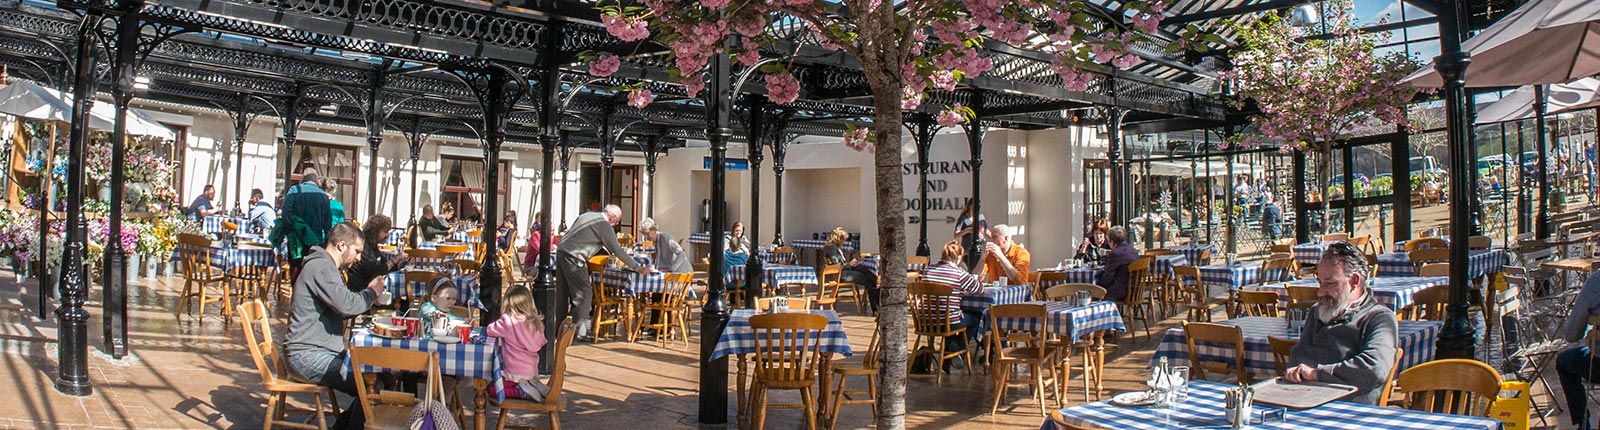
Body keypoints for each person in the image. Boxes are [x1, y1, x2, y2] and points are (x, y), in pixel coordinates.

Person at [284, 222, 381, 428]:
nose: (359, 258)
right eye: (357, 251)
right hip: (305, 355)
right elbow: (346, 305)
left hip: (316, 350)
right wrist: (371, 293)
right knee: (371, 383)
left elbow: (340, 307)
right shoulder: (321, 268)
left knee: (382, 377)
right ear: (341, 245)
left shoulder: (324, 266)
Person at [1284, 242, 1398, 406]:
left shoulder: (1379, 318)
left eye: (1330, 283)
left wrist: (1317, 374)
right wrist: (1295, 373)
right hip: (1306, 401)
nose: (1321, 292)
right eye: (1320, 282)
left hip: (1350, 409)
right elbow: (1299, 356)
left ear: (1355, 281)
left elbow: (1374, 369)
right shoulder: (1319, 311)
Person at [556, 204, 649, 341]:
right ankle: (575, 332)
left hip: (561, 252)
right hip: (575, 258)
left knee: (562, 295)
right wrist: (637, 267)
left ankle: (559, 329)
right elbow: (616, 250)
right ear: (612, 217)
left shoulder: (587, 215)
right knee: (584, 295)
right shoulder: (604, 225)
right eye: (617, 222)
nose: (615, 225)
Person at [919, 239, 985, 372]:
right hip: (948, 321)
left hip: (926, 321)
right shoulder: (959, 274)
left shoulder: (928, 270)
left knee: (952, 316)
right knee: (975, 318)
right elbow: (979, 290)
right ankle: (956, 349)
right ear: (959, 257)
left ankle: (951, 348)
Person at [487, 287, 550, 401]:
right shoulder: (535, 322)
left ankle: (520, 391)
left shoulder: (507, 321)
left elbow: (490, 330)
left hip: (513, 372)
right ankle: (534, 385)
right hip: (532, 371)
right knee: (523, 380)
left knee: (492, 388)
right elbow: (541, 342)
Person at [272, 168, 331, 285]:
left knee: (295, 269)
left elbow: (286, 214)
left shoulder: (294, 190)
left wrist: (290, 230)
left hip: (296, 240)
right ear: (316, 180)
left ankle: (296, 297)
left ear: (303, 179)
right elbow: (327, 223)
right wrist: (325, 243)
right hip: (315, 241)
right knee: (312, 271)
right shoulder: (323, 196)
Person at [1558, 271, 1600, 429]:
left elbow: (1571, 335)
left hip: (1598, 366)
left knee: (1564, 361)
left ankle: (1583, 425)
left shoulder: (1595, 281)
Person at [345, 215, 408, 298]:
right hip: (360, 291)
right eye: (385, 231)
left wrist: (401, 264)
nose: (388, 235)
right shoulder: (363, 246)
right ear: (376, 231)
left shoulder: (373, 246)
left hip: (368, 288)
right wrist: (394, 260)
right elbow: (375, 271)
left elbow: (384, 265)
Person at [823, 227, 879, 312]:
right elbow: (836, 266)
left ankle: (876, 306)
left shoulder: (834, 247)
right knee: (870, 279)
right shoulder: (832, 248)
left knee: (867, 273)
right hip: (842, 275)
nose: (844, 242)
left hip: (844, 271)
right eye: (843, 239)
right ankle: (876, 307)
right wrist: (850, 264)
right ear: (838, 238)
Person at [1096, 227, 1140, 301]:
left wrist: (1097, 286)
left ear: (1112, 241)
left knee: (1093, 293)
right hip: (1136, 289)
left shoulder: (1115, 253)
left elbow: (1108, 277)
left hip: (1121, 291)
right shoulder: (1133, 250)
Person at [952, 200, 987, 269]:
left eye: (978, 206)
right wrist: (967, 230)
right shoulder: (964, 218)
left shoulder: (980, 216)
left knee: (980, 268)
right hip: (968, 249)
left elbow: (986, 230)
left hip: (980, 247)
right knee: (972, 268)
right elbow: (956, 234)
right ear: (970, 206)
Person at [521, 212, 546, 277]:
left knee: (556, 270)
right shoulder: (535, 235)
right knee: (545, 271)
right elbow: (540, 249)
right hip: (531, 266)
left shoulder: (550, 237)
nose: (551, 232)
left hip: (541, 265)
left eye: (553, 230)